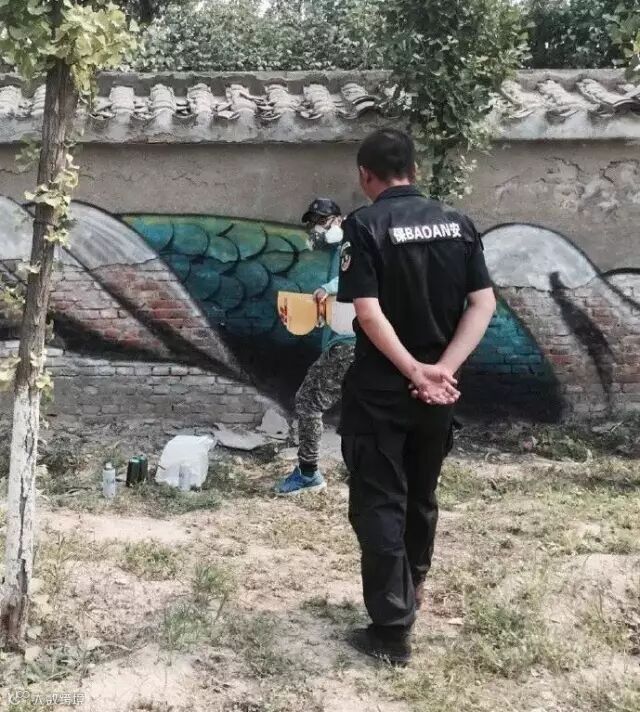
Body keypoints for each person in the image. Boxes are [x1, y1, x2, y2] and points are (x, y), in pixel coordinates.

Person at [337, 129, 496, 665]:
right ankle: (415, 588)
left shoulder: (365, 225)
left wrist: (413, 371)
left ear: (365, 175)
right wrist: (442, 371)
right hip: (439, 395)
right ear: (415, 169)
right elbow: (483, 304)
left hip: (381, 393)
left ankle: (391, 630)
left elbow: (367, 312)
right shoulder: (459, 224)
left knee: (380, 499)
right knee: (421, 492)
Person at [274, 198, 356, 496]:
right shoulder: (341, 249)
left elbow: (356, 278)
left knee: (308, 402)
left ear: (339, 219)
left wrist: (328, 289)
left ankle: (308, 473)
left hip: (348, 343)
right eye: (313, 222)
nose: (317, 228)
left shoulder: (353, 244)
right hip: (352, 341)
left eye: (322, 221)